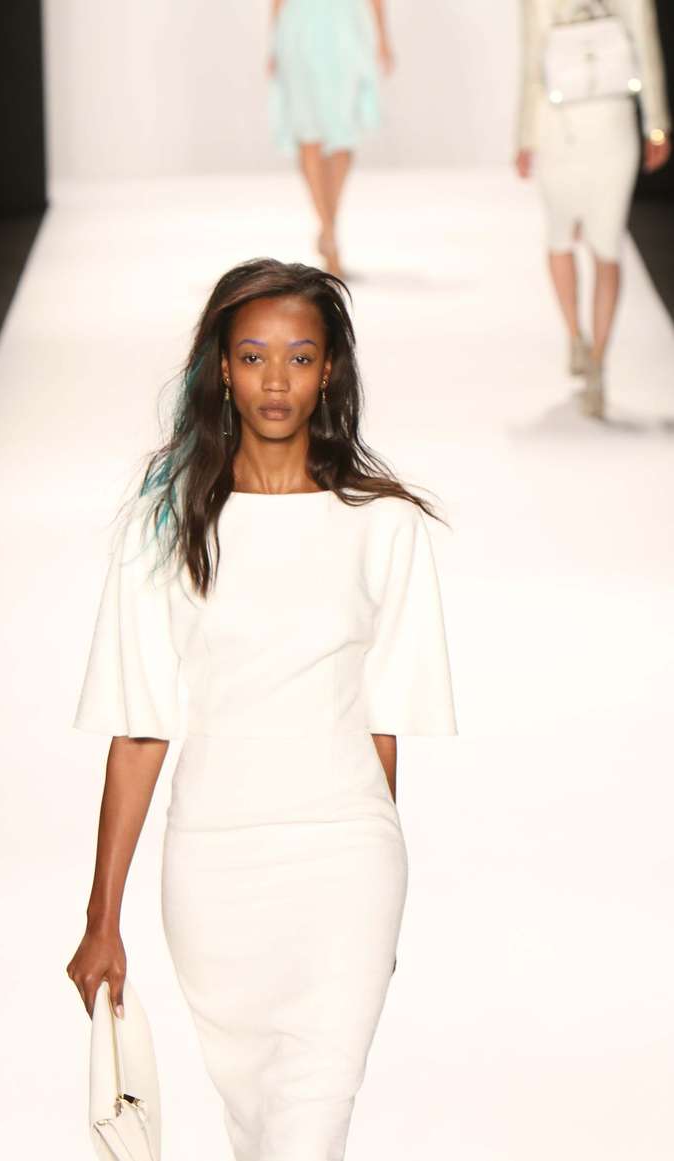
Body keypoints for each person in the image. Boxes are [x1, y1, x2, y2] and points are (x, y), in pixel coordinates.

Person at [67, 258, 457, 1159]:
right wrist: (101, 918)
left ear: (330, 372)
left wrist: (383, 887)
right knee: (257, 1126)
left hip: (348, 857)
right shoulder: (165, 528)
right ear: (222, 368)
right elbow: (140, 728)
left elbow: (383, 722)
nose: (276, 380)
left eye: (299, 357)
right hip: (214, 865)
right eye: (253, 356)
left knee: (311, 1126)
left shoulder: (385, 525)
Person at [515, 0, 671, 419]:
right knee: (584, 242)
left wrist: (525, 137)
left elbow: (533, 59)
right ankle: (586, 346)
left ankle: (588, 348)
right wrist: (656, 124)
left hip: (577, 123)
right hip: (590, 123)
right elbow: (644, 46)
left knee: (584, 241)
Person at [269, 0, 394, 277]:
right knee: (308, 134)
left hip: (344, 29)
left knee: (342, 137)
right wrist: (273, 42)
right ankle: (329, 235)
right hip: (300, 28)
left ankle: (329, 228)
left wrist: (383, 38)